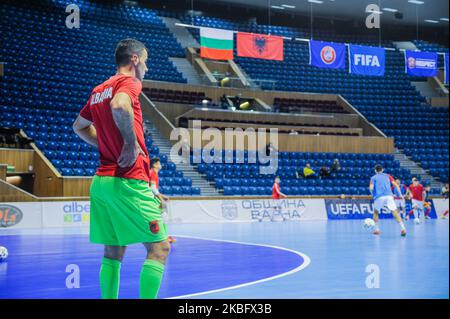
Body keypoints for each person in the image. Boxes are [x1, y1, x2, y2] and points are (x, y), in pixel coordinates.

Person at [72, 39, 169, 299]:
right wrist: (129, 144)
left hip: (102, 184)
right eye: (146, 61)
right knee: (159, 249)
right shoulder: (129, 82)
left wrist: (104, 142)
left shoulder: (98, 90)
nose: (147, 68)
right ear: (135, 59)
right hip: (127, 180)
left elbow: (79, 126)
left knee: (113, 252)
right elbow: (119, 106)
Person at [369, 164, 407, 237]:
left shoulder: (373, 178)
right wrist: (401, 195)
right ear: (382, 170)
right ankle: (403, 228)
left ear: (375, 170)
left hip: (379, 197)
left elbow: (371, 188)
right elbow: (395, 185)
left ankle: (377, 230)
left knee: (376, 212)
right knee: (395, 212)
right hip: (389, 196)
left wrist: (373, 194)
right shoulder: (388, 175)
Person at [149, 157, 175, 244]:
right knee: (163, 216)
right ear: (154, 165)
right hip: (153, 199)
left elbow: (153, 188)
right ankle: (164, 237)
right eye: (159, 163)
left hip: (153, 198)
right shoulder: (153, 172)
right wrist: (161, 199)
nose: (160, 165)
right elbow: (152, 188)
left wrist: (162, 196)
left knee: (161, 217)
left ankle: (163, 236)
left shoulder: (153, 173)